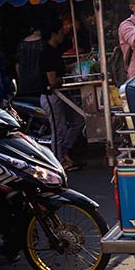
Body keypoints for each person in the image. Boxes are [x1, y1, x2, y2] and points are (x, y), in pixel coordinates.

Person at [40, 21, 85, 171]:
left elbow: (60, 68)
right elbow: (52, 81)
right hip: (51, 95)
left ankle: (64, 151)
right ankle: (59, 162)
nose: (62, 36)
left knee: (79, 119)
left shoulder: (54, 51)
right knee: (58, 130)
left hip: (63, 94)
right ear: (53, 34)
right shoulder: (46, 52)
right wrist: (66, 79)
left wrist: (76, 64)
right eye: (60, 32)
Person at [15, 14, 46, 97]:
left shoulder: (22, 44)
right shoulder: (43, 43)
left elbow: (17, 64)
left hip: (24, 83)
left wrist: (21, 78)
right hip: (40, 82)